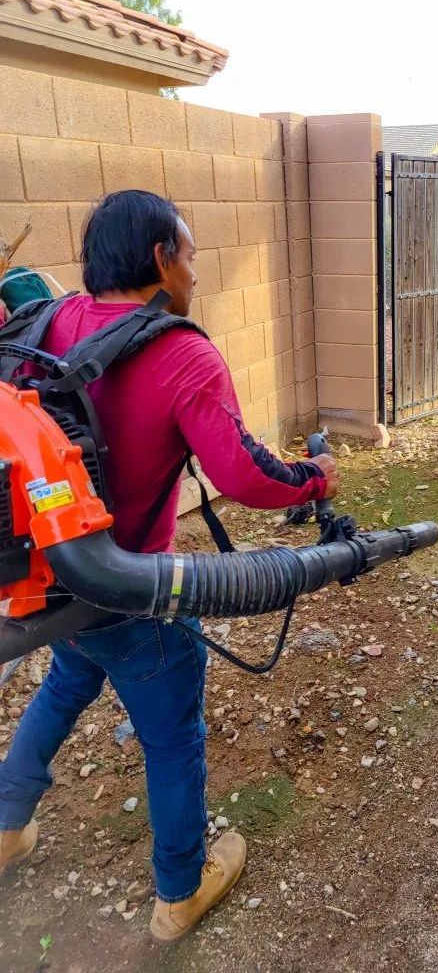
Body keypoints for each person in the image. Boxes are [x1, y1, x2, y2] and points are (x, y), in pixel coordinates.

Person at [0, 191, 339, 945]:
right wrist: (315, 477)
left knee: (66, 681)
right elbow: (247, 477)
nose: (194, 270)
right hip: (132, 591)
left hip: (51, 582)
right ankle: (180, 891)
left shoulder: (45, 326)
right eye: (189, 253)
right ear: (160, 258)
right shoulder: (182, 352)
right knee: (174, 734)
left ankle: (5, 825)